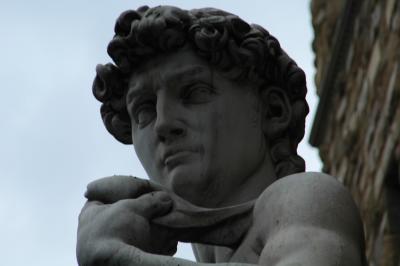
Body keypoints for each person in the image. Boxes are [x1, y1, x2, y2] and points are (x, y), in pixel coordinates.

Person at [77, 5, 367, 266]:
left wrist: (123, 258)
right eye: (143, 110)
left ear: (273, 111)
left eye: (194, 93)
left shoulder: (303, 201)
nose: (163, 124)